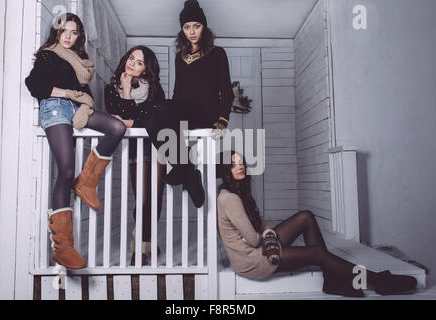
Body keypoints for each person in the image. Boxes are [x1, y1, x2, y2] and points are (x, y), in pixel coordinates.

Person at [216, 151, 418, 297]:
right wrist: (266, 238)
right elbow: (252, 240)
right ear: (226, 170)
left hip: (259, 248)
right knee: (316, 253)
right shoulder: (229, 199)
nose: (240, 166)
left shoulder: (239, 193)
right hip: (253, 261)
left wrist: (267, 234)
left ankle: (332, 279)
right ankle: (377, 281)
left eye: (240, 161)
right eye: (233, 164)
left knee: (305, 216)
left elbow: (261, 224)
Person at [25, 13, 127, 270]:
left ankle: (87, 183)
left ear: (79, 36)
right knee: (66, 170)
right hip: (55, 107)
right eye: (64, 31)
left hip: (74, 107)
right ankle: (63, 248)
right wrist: (71, 94)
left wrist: (85, 105)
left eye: (74, 32)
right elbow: (35, 84)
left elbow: (86, 95)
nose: (68, 37)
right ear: (57, 32)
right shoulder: (49, 54)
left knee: (116, 127)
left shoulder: (80, 62)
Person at [143, 0, 234, 208]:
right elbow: (178, 91)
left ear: (204, 27)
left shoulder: (217, 53)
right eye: (186, 27)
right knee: (152, 116)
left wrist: (223, 118)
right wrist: (169, 114)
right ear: (181, 29)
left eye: (196, 26)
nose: (191, 32)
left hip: (206, 113)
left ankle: (183, 170)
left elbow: (226, 90)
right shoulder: (179, 57)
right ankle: (188, 172)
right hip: (184, 111)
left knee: (160, 109)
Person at [105, 46, 166, 265]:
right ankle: (139, 247)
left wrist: (130, 121)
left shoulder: (154, 89)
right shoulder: (111, 89)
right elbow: (123, 118)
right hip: (137, 147)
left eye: (139, 62)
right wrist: (126, 89)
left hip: (158, 146)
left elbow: (155, 119)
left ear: (145, 69)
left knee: (155, 199)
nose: (133, 64)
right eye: (132, 58)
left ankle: (147, 240)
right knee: (142, 199)